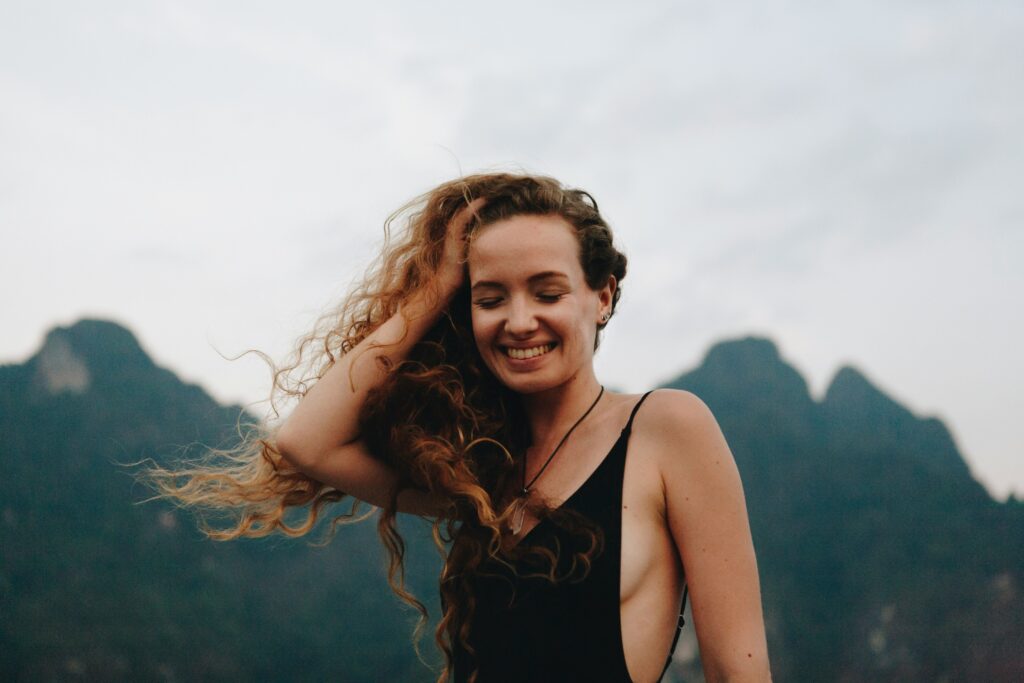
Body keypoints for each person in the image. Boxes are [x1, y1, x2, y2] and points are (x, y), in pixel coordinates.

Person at [138, 172, 771, 683]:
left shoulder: (666, 429)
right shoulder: (480, 475)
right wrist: (436, 284)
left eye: (546, 292)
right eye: (490, 298)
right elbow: (306, 443)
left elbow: (738, 670)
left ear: (601, 296)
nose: (518, 321)